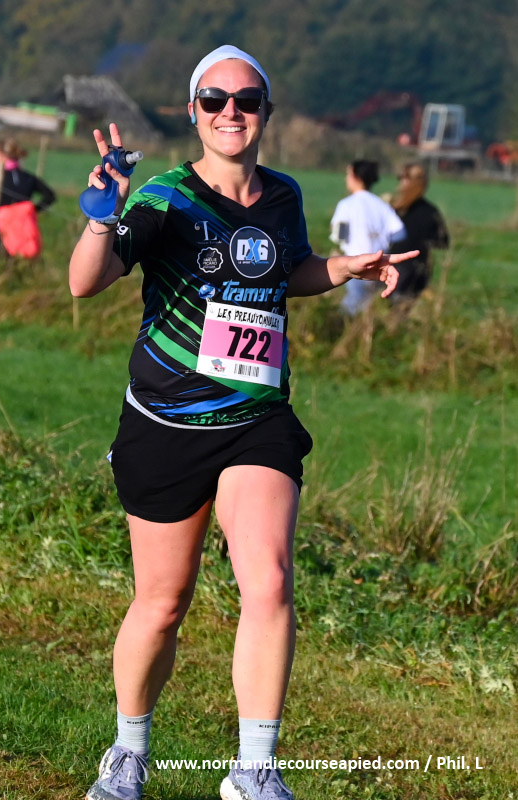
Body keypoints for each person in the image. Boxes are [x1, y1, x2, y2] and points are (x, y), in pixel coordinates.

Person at [69, 44, 418, 800]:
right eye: (216, 99)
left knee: (268, 580)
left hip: (256, 418)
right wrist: (101, 218)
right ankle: (128, 752)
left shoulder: (284, 194)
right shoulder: (164, 197)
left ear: (266, 112)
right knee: (162, 604)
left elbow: (286, 271)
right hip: (165, 421)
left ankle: (255, 770)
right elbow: (84, 283)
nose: (233, 111)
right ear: (194, 111)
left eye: (248, 100)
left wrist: (340, 269)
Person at [329, 160, 406, 316]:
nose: (346, 178)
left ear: (356, 177)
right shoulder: (382, 205)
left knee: (353, 304)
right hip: (379, 263)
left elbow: (339, 235)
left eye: (348, 174)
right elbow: (400, 233)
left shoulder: (346, 205)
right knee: (372, 305)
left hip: (354, 263)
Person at [389, 161, 449, 302]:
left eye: (403, 178)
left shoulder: (396, 211)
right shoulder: (431, 212)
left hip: (396, 269)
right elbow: (442, 242)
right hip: (418, 271)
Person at [0, 136, 56, 259]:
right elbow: (50, 196)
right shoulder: (28, 178)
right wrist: (32, 210)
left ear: (2, 155)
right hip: (25, 231)